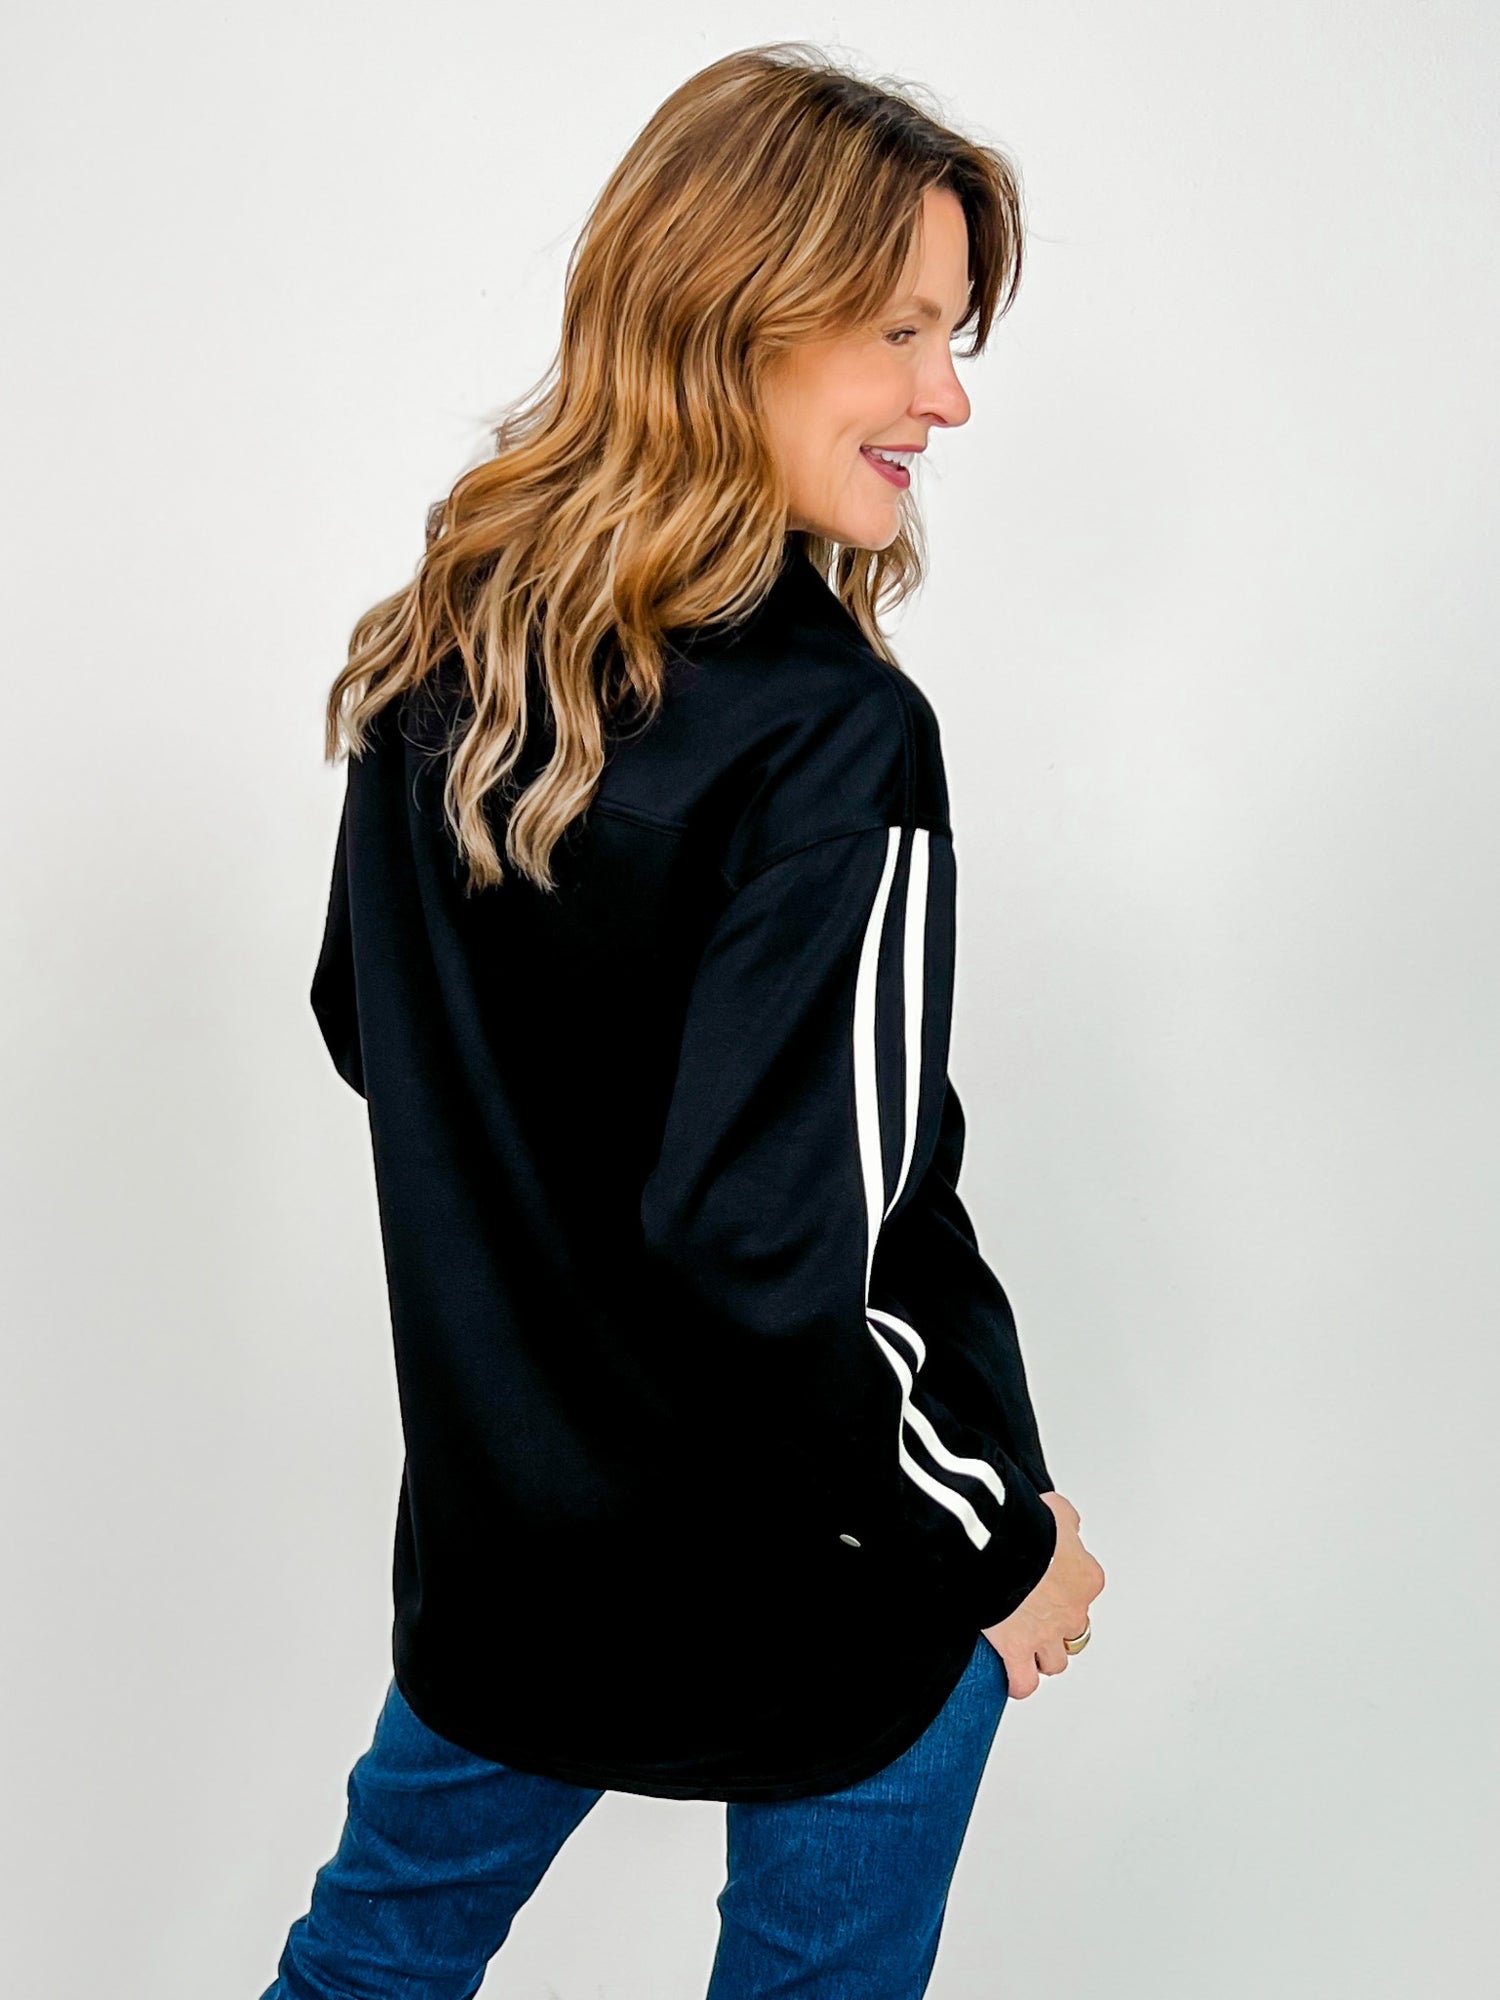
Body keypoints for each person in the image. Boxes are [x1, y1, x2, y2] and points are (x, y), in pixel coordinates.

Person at [261, 39, 1105, 2000]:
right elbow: (771, 1255)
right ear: (740, 320)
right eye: (901, 331)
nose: (949, 396)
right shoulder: (837, 738)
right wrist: (999, 1548)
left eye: (953, 333)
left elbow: (375, 1032)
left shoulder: (450, 657)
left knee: (365, 1972)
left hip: (513, 1565)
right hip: (841, 1578)